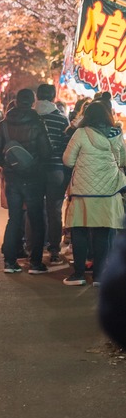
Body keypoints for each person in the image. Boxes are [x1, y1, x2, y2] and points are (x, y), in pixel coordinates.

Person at [61, 101, 126, 287]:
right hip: (109, 191)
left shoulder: (81, 133)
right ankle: (98, 275)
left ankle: (79, 274)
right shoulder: (116, 134)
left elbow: (67, 160)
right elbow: (123, 159)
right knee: (102, 232)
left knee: (79, 230)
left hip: (83, 191)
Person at [0, 88, 52, 275]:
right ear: (32, 102)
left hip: (12, 178)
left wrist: (10, 165)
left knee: (14, 219)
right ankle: (35, 263)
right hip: (33, 178)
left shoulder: (4, 124)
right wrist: (34, 165)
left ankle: (10, 262)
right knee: (36, 220)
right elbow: (46, 151)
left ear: (16, 101)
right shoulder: (37, 122)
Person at [35, 83, 69, 265]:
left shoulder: (30, 116)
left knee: (35, 209)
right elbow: (67, 146)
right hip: (56, 169)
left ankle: (35, 249)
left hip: (34, 170)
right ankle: (54, 250)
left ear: (37, 96)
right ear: (53, 97)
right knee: (54, 210)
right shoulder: (61, 118)